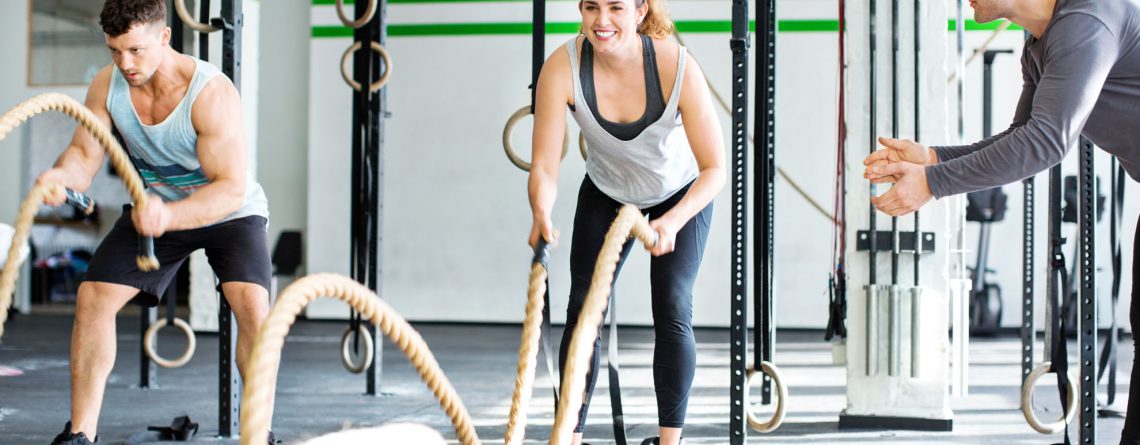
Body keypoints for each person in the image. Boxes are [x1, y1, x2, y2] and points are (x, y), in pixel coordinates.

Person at [862, 0, 1140, 443]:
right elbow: (1023, 134)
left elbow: (1047, 143)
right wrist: (932, 159)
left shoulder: (1087, 19)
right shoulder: (1039, 43)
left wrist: (933, 182)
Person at [37, 1, 275, 443]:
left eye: (136, 50)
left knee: (254, 307)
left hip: (228, 211)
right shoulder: (107, 86)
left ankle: (258, 433)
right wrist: (61, 178)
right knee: (92, 298)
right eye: (115, 51)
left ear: (164, 38)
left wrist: (170, 214)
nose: (125, 63)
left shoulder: (210, 93)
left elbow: (228, 187)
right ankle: (80, 435)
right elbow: (83, 156)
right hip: (157, 210)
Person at [526, 0, 725, 443]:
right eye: (591, 7)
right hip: (607, 190)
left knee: (673, 304)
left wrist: (672, 222)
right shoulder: (562, 68)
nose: (602, 21)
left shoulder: (676, 65)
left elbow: (715, 169)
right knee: (583, 311)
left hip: (679, 193)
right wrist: (541, 210)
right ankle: (569, 435)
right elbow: (544, 166)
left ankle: (669, 441)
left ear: (640, 12)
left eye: (616, 7)